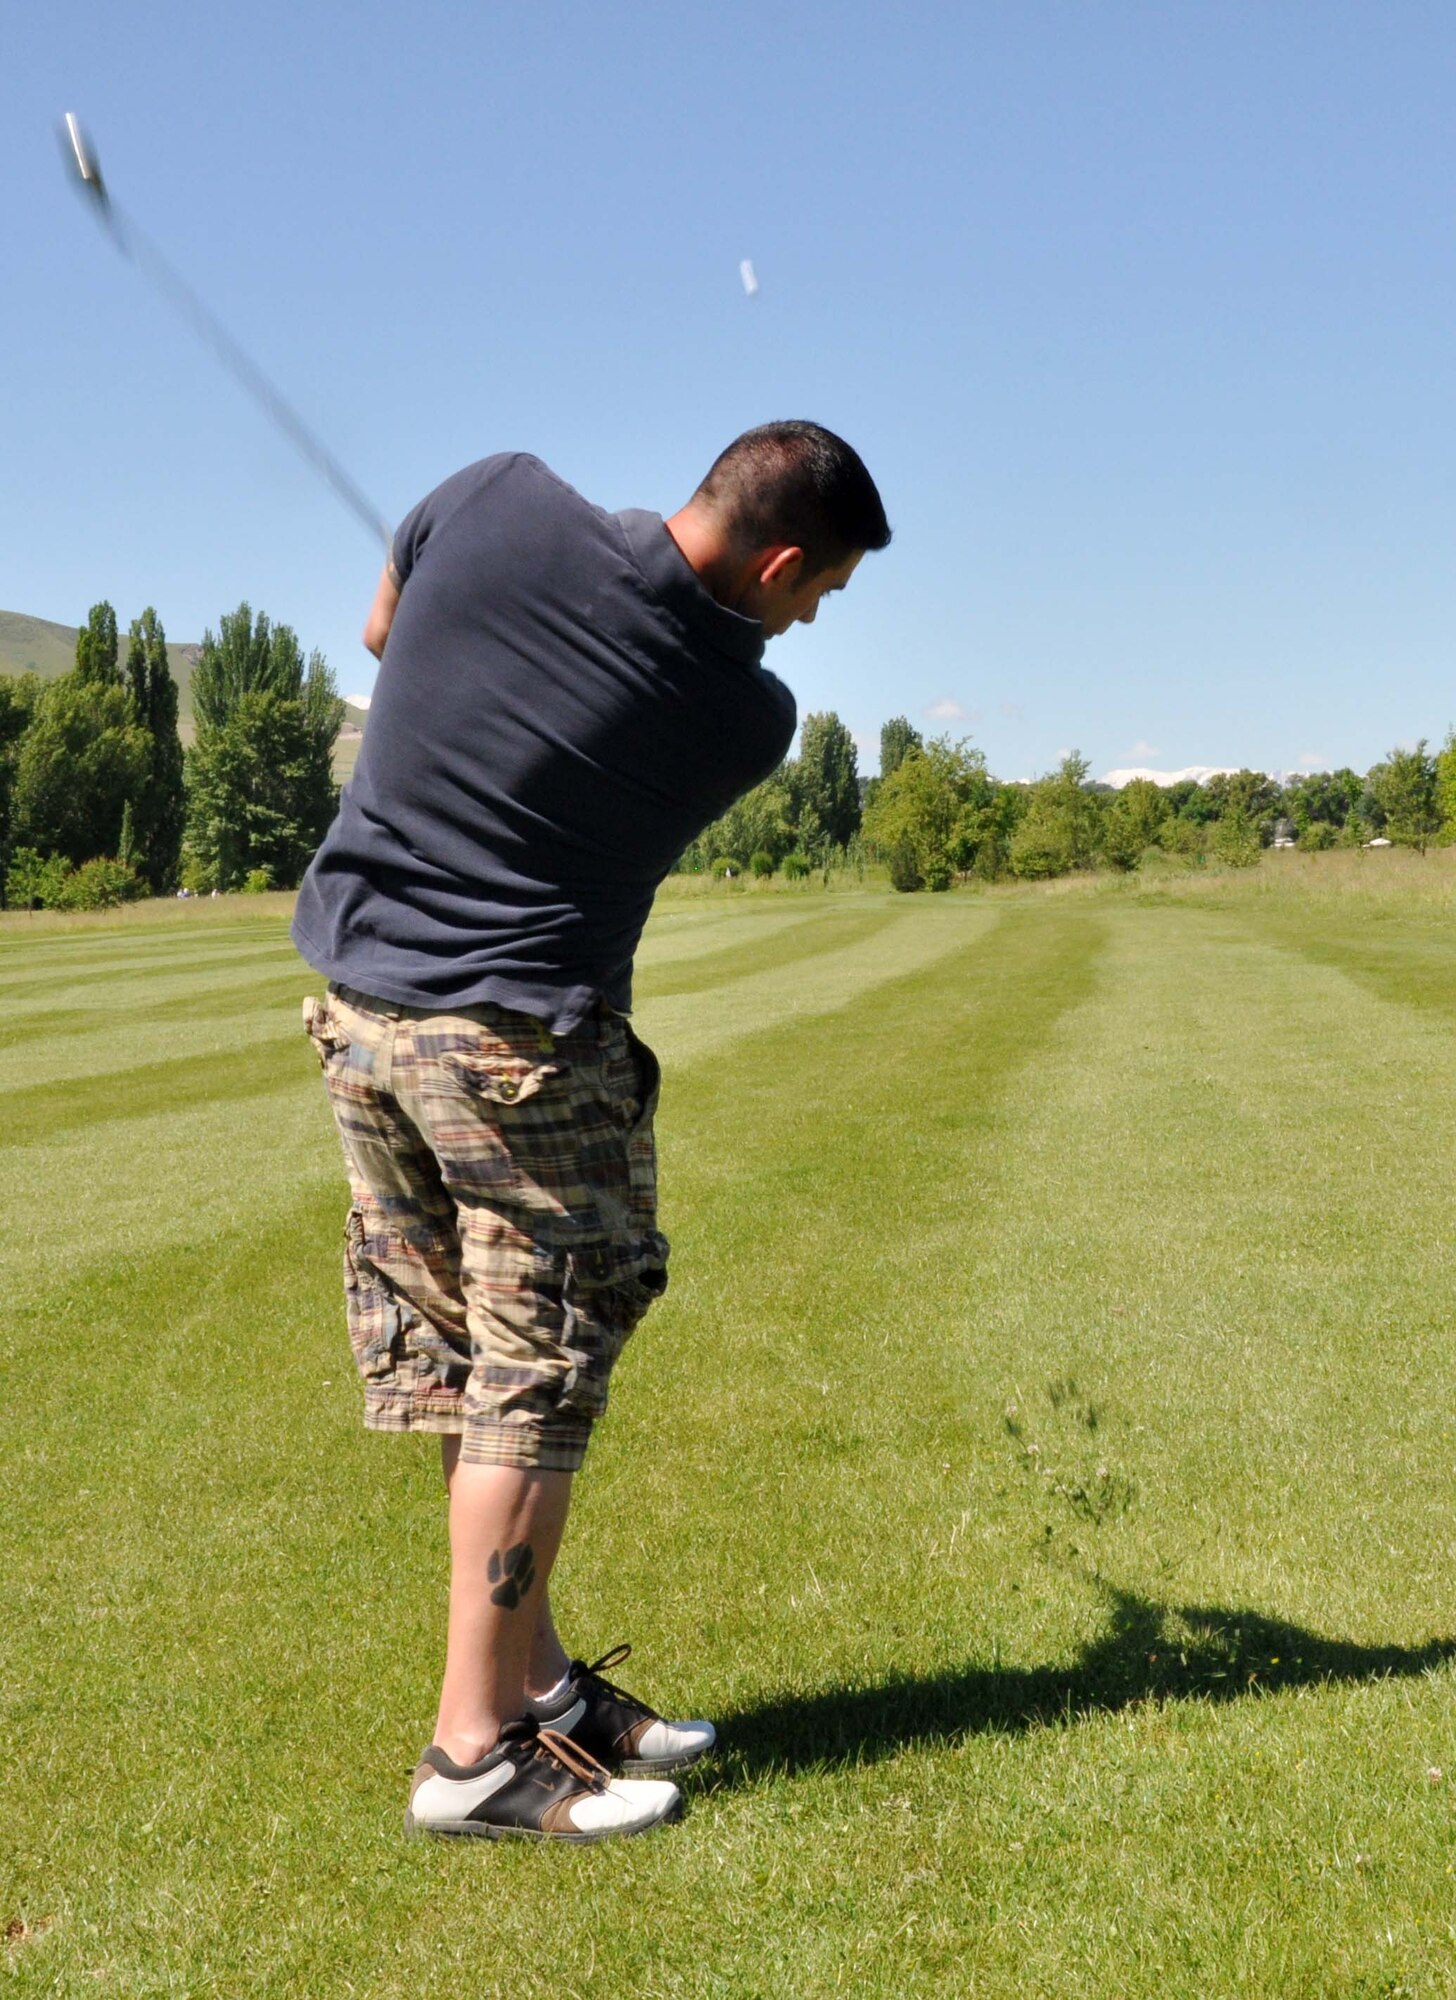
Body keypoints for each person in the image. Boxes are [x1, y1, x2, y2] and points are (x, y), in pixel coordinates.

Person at [293, 421, 890, 1842]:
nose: (809, 619)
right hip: (517, 1058)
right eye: (820, 593)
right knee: (533, 1382)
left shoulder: (494, 492)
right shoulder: (745, 716)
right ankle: (471, 1752)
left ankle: (540, 1685)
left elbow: (387, 630)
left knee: (471, 1368)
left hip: (361, 1021)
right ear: (783, 559)